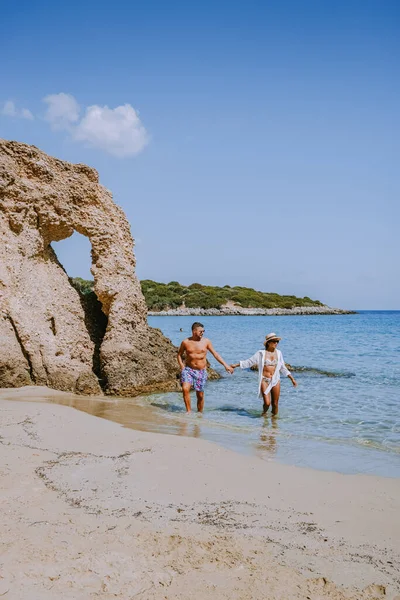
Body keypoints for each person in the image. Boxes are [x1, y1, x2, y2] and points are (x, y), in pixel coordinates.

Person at [231, 332, 297, 415]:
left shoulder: (279, 353)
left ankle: (274, 423)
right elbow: (249, 362)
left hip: (275, 380)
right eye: (274, 341)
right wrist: (235, 365)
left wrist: (292, 378)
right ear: (268, 342)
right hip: (264, 380)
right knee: (267, 403)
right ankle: (264, 415)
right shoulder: (261, 353)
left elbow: (282, 367)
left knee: (275, 404)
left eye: (277, 342)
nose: (276, 343)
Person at [177, 322, 233, 413]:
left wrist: (226, 365)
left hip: (201, 371)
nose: (202, 333)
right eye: (200, 331)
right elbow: (179, 355)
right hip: (188, 370)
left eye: (203, 331)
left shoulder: (206, 342)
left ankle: (200, 414)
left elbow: (215, 354)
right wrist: (182, 367)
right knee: (185, 389)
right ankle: (188, 412)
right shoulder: (185, 342)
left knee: (200, 395)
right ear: (194, 331)